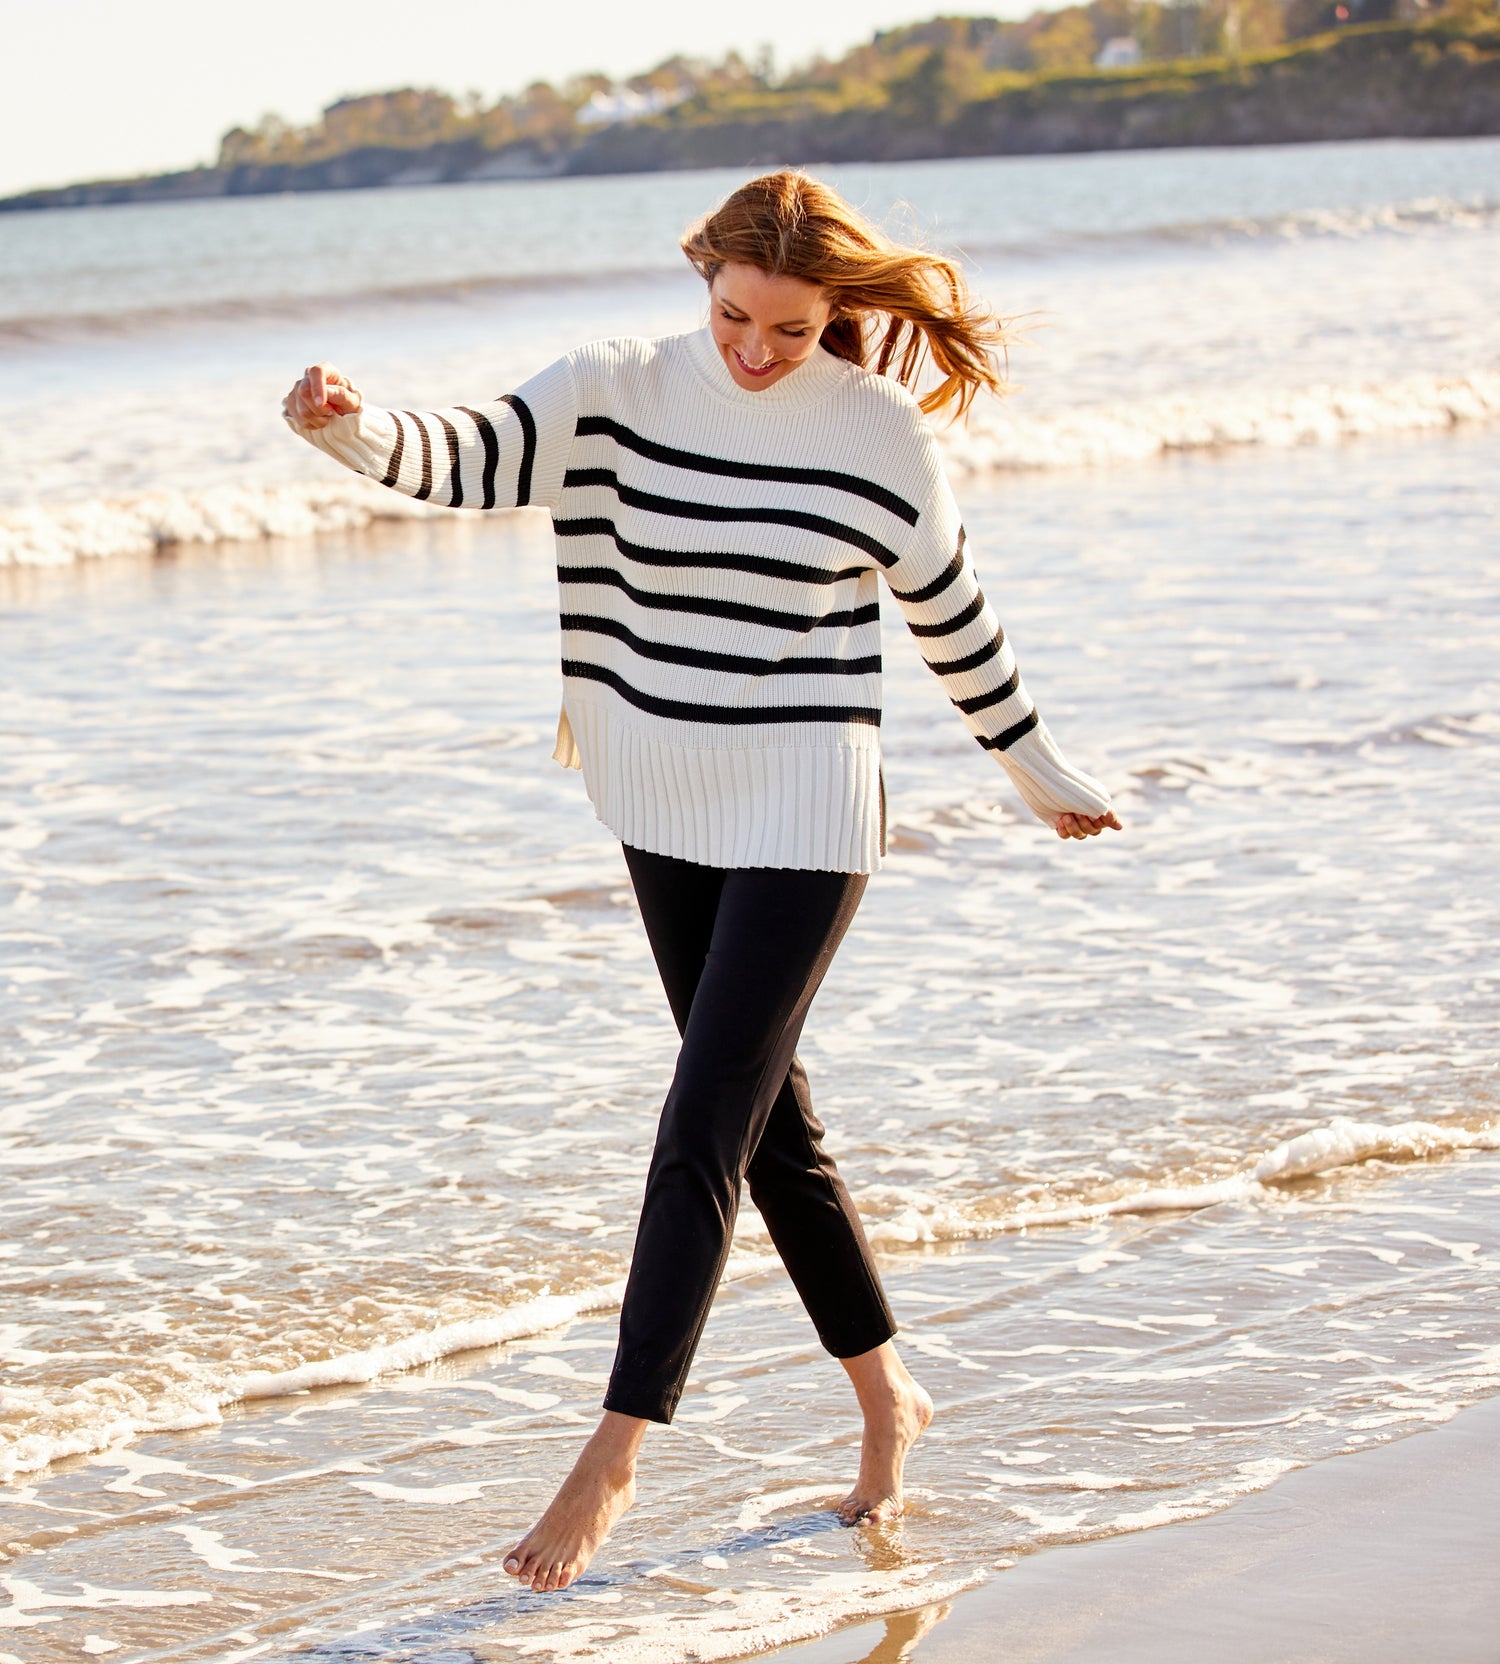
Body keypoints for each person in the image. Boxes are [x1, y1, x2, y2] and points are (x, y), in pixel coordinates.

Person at [282, 168, 1121, 1595]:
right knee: (770, 1128)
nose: (755, 350)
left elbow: (948, 605)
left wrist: (1033, 766)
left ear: (834, 316)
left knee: (701, 1120)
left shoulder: (875, 429)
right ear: (703, 280)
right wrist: (348, 431)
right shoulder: (618, 383)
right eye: (737, 316)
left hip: (806, 806)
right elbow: (476, 453)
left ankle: (613, 1450)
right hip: (657, 790)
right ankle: (889, 1403)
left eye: (791, 331)